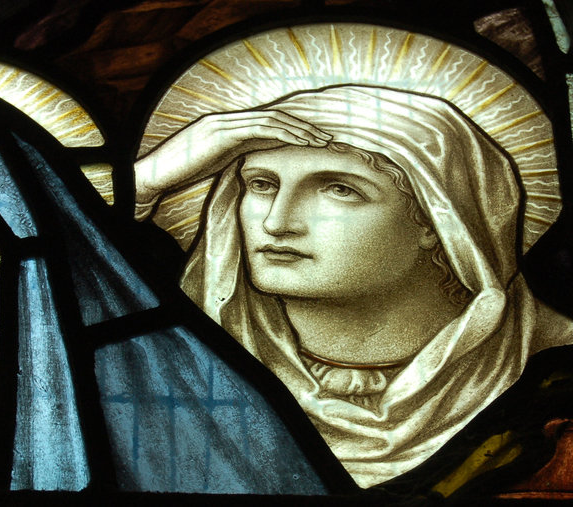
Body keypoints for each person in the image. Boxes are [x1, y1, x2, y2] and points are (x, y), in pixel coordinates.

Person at [134, 85, 573, 488]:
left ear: (439, 220)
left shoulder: (551, 379)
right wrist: (145, 181)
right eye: (262, 185)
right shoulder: (184, 366)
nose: (276, 222)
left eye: (339, 189)